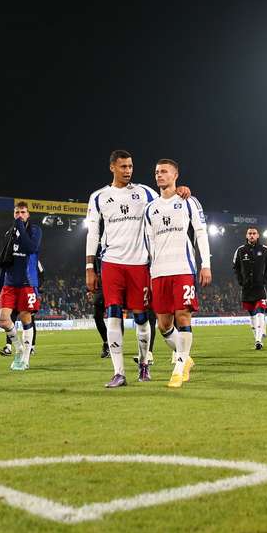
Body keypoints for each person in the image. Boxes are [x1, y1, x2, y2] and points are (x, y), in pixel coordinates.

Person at [85, 150, 189, 387]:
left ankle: (144, 364)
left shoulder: (144, 192)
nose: (128, 171)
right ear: (112, 167)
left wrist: (181, 190)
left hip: (140, 264)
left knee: (142, 319)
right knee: (112, 315)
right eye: (123, 167)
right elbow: (93, 233)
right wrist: (90, 266)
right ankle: (118, 372)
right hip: (111, 262)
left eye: (130, 166)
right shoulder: (99, 197)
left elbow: (167, 197)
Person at [144, 158, 211, 388]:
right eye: (156, 172)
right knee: (163, 326)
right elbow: (148, 242)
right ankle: (186, 357)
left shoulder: (189, 201)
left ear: (175, 175)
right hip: (159, 272)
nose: (159, 175)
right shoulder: (150, 209)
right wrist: (148, 272)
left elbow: (201, 232)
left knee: (183, 316)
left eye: (164, 171)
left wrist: (206, 264)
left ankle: (179, 366)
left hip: (182, 267)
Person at [0, 202, 42, 370]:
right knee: (3, 321)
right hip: (9, 284)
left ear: (28, 214)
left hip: (27, 282)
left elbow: (31, 247)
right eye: (17, 213)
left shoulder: (34, 230)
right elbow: (5, 261)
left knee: (26, 318)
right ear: (13, 214)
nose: (19, 215)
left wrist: (20, 226)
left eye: (23, 212)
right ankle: (19, 348)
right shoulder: (9, 233)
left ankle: (25, 359)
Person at [233, 227, 267, 350]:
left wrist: (265, 280)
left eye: (254, 233)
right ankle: (256, 338)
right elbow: (235, 267)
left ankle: (258, 340)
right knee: (252, 315)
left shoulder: (264, 249)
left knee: (260, 313)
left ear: (258, 235)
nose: (252, 235)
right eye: (250, 233)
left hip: (260, 288)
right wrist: (241, 280)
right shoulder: (240, 250)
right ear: (246, 236)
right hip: (246, 289)